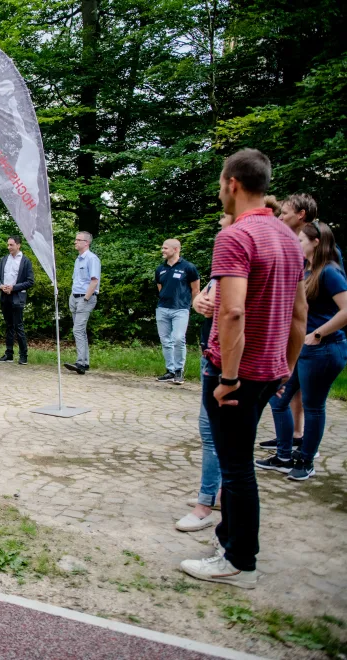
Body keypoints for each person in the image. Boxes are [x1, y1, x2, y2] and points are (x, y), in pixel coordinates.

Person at [180, 149, 307, 589]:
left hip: (236, 372)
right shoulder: (289, 237)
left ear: (232, 182)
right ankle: (228, 540)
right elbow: (299, 314)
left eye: (220, 182)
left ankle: (239, 560)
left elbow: (231, 313)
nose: (220, 190)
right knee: (239, 459)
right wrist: (286, 369)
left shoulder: (235, 236)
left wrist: (228, 378)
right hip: (269, 369)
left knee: (235, 467)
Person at [256, 221, 347, 481]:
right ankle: (284, 456)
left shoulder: (329, 272)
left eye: (300, 241)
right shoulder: (306, 270)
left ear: (316, 242)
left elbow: (346, 310)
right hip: (302, 350)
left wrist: (318, 333)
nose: (296, 244)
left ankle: (307, 460)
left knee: (313, 405)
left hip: (325, 350)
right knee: (278, 399)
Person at [176, 213, 231, 533]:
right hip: (215, 354)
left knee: (212, 434)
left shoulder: (237, 250)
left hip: (223, 361)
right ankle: (218, 492)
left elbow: (232, 311)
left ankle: (206, 502)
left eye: (224, 221)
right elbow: (206, 299)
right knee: (217, 434)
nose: (220, 225)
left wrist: (229, 376)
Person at [154, 239, 200, 384]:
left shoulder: (188, 267)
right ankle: (170, 371)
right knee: (165, 340)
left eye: (165, 248)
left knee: (179, 338)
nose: (162, 250)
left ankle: (179, 370)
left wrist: (193, 305)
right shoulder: (160, 269)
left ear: (175, 249)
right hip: (162, 308)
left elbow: (195, 289)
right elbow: (160, 287)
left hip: (181, 309)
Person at [63, 232, 101, 375]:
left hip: (85, 298)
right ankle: (84, 362)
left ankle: (80, 362)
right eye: (75, 239)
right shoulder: (78, 259)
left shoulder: (92, 259)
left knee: (77, 330)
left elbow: (94, 280)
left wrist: (86, 298)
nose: (75, 242)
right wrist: (73, 296)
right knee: (80, 330)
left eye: (78, 240)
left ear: (87, 243)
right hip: (75, 297)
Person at [0, 235, 35, 365]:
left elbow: (30, 281)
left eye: (11, 245)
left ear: (18, 245)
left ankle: (23, 355)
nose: (9, 247)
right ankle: (9, 354)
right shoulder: (4, 259)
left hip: (17, 296)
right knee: (9, 326)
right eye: (8, 245)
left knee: (18, 326)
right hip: (4, 295)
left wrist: (14, 287)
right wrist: (1, 286)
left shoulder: (25, 261)